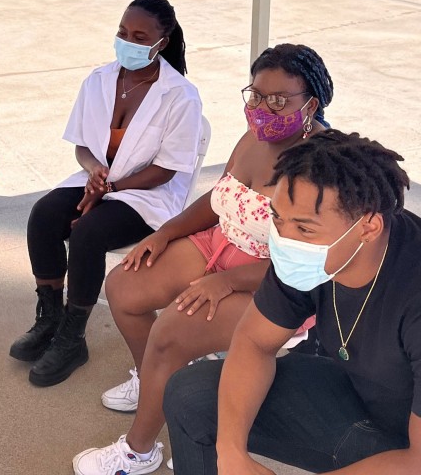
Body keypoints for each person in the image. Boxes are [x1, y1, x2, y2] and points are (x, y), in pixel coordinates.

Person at [72, 43, 333, 475]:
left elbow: (312, 257)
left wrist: (228, 282)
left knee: (172, 331)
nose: (263, 108)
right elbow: (220, 197)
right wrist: (166, 232)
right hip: (222, 242)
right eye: (256, 95)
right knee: (125, 286)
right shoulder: (256, 137)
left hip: (278, 282)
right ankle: (157, 380)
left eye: (279, 99)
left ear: (312, 102)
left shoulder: (323, 165)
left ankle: (138, 453)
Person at [163, 129, 420, 474]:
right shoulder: (312, 252)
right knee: (191, 395)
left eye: (304, 229)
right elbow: (254, 341)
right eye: (278, 219)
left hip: (409, 445)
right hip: (359, 396)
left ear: (369, 227)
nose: (284, 240)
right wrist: (231, 451)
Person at [9, 0, 204, 387]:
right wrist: (94, 171)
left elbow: (165, 170)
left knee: (88, 232)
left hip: (145, 194)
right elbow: (82, 144)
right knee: (44, 215)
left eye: (139, 36)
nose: (127, 41)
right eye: (122, 32)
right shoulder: (98, 80)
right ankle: (49, 318)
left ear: (161, 43)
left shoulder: (181, 96)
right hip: (100, 180)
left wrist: (111, 185)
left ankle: (72, 338)